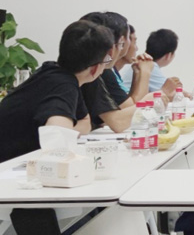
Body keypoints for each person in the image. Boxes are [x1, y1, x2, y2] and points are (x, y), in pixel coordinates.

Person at [0, 20, 114, 162]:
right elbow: (57, 143)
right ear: (95, 68)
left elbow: (85, 122)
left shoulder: (55, 73)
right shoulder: (63, 85)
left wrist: (66, 133)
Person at [80, 12, 154, 132]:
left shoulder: (100, 70)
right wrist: (149, 98)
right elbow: (120, 122)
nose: (135, 47)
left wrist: (138, 74)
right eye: (131, 39)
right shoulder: (98, 72)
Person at [122, 28, 184, 99]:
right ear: (168, 55)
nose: (137, 48)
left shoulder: (143, 63)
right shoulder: (149, 65)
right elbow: (171, 92)